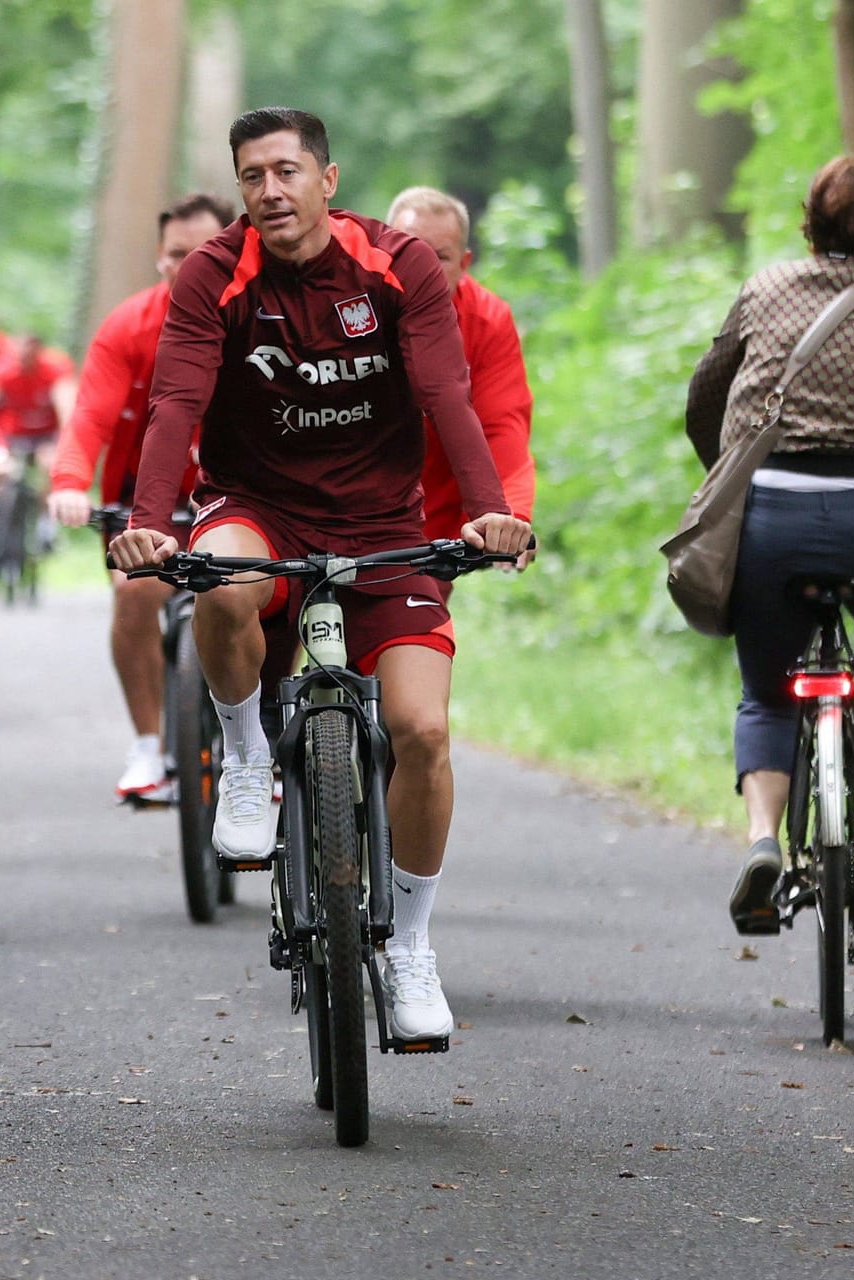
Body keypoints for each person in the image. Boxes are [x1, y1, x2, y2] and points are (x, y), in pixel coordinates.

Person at [109, 108, 531, 1040]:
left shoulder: (397, 267)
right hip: (256, 505)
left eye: (288, 172)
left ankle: (410, 947)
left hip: (384, 522)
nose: (271, 191)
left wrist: (490, 509)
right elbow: (174, 403)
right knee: (221, 584)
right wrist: (146, 526)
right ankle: (248, 754)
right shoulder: (213, 275)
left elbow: (445, 396)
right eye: (253, 175)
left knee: (422, 731)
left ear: (328, 182)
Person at [685, 153, 854, 932]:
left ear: (814, 219)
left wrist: (726, 478)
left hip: (772, 517)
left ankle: (764, 841)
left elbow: (706, 396)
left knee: (767, 689)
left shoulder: (764, 289)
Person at [48, 192, 234, 800]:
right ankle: (149, 746)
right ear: (159, 258)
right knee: (135, 594)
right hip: (142, 499)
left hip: (234, 496)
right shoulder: (128, 326)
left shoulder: (258, 317)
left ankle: (254, 746)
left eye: (202, 252)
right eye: (176, 254)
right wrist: (69, 485)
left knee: (255, 602)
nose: (189, 266)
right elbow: (89, 418)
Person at [385, 187, 537, 571]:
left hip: (432, 530)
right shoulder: (345, 312)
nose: (423, 269)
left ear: (465, 263)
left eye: (440, 257)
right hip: (334, 513)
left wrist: (510, 516)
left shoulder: (487, 322)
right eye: (409, 253)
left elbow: (503, 426)